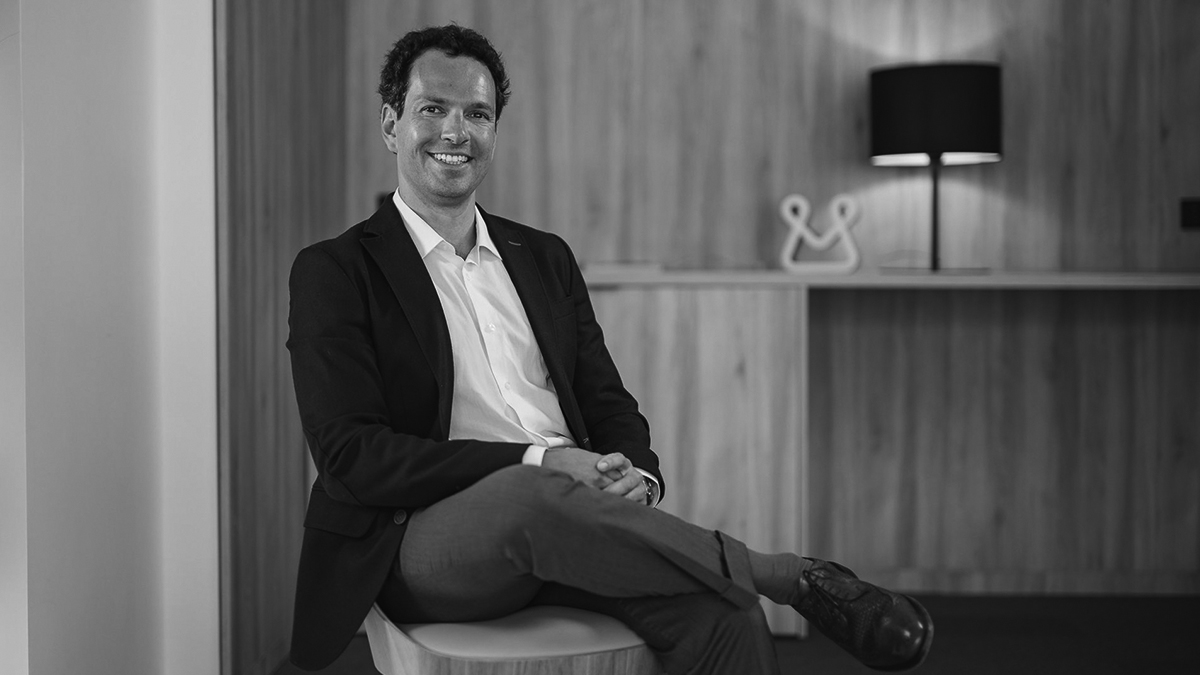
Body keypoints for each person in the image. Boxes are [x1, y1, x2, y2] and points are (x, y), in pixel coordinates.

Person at [286, 24, 933, 674]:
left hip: (571, 517)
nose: (457, 132)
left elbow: (607, 401)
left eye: (477, 114)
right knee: (530, 492)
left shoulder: (543, 256)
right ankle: (791, 575)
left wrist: (636, 478)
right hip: (424, 538)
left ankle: (753, 582)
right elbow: (351, 456)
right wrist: (542, 460)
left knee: (727, 611)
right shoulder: (334, 271)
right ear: (391, 124)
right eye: (433, 108)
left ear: (494, 131)